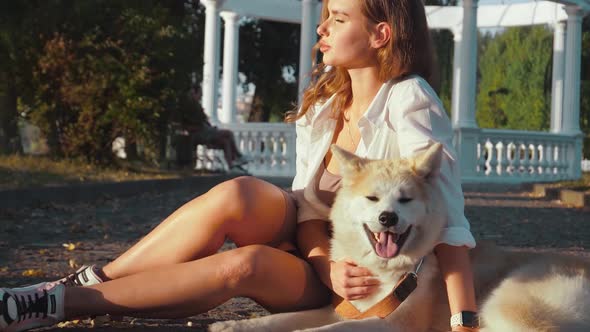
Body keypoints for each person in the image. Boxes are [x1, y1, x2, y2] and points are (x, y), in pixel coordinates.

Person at [0, 0, 479, 331]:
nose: (321, 28)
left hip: (361, 278)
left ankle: (57, 302)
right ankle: (89, 281)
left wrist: (465, 319)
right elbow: (311, 210)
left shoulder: (410, 100)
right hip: (320, 254)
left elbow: (451, 218)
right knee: (239, 192)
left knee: (243, 265)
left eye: (336, 18)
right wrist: (322, 261)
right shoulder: (326, 105)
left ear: (380, 34)